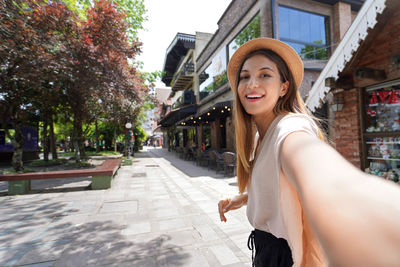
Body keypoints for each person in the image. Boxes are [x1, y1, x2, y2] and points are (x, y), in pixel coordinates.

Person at [218, 37, 400, 267]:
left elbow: (317, 169)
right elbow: (278, 185)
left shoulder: (291, 127)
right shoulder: (259, 137)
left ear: (284, 87)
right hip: (264, 253)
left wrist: (369, 216)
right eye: (245, 76)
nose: (252, 83)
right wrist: (244, 198)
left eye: (265, 74)